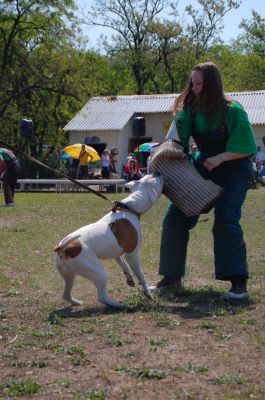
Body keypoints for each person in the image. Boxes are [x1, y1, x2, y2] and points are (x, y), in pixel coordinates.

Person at [155, 62, 257, 299]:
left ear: (212, 84)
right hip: (205, 165)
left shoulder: (233, 111)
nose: (195, 88)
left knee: (226, 219)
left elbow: (247, 146)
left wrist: (221, 157)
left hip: (234, 169)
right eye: (193, 83)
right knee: (175, 216)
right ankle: (171, 277)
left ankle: (238, 283)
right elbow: (179, 135)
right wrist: (168, 155)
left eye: (199, 83)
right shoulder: (191, 109)